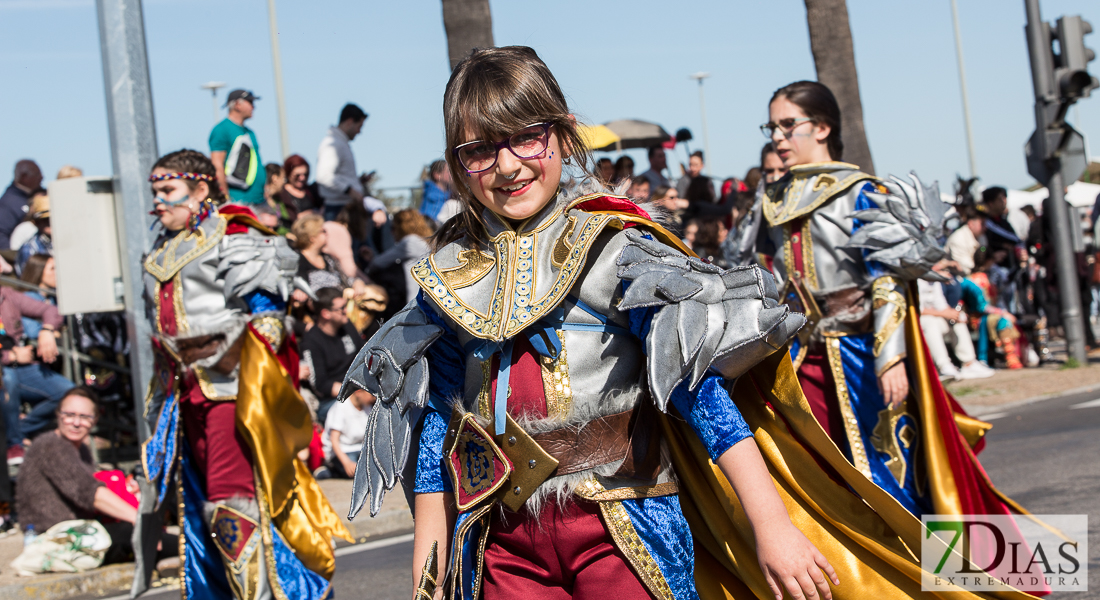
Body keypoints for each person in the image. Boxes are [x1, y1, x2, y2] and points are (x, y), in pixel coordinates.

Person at [326, 45, 1045, 600]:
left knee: (875, 484)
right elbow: (436, 430)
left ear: (563, 136)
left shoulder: (615, 243)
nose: (507, 164)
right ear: (456, 162)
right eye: (480, 149)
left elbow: (696, 389)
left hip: (647, 505)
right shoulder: (451, 276)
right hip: (506, 542)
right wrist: (430, 570)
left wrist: (771, 523)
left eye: (525, 138)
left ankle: (998, 562)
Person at [759, 80, 1031, 520]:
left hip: (859, 354)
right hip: (798, 356)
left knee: (890, 476)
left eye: (788, 125)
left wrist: (891, 357)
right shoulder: (771, 199)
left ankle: (941, 580)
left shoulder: (860, 191)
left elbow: (886, 278)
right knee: (818, 480)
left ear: (823, 128)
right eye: (771, 127)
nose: (777, 137)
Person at [137, 149, 350, 600]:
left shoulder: (234, 232)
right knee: (198, 512)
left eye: (168, 191)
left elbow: (268, 318)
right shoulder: (160, 251)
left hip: (232, 394)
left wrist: (232, 359)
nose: (159, 202)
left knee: (231, 505)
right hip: (184, 399)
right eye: (155, 193)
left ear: (200, 189)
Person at [15, 387, 175, 566]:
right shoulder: (51, 446)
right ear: (58, 415)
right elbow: (89, 493)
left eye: (84, 417)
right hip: (55, 537)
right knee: (135, 534)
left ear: (95, 421)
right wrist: (141, 518)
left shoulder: (80, 449)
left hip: (81, 531)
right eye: (69, 414)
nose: (76, 422)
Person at [1, 282, 70, 464]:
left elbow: (51, 311)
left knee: (67, 392)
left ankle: (16, 430)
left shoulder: (7, 296)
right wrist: (10, 356)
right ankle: (14, 444)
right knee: (7, 379)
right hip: (6, 369)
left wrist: (46, 331)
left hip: (22, 367)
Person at [300, 287, 365, 424]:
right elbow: (321, 384)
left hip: (361, 388)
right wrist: (355, 394)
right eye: (341, 308)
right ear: (326, 314)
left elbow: (364, 352)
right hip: (333, 400)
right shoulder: (311, 342)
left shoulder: (346, 326)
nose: (346, 311)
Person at [918, 262, 993, 380]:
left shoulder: (935, 280)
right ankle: (943, 366)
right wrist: (944, 313)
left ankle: (969, 363)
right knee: (929, 321)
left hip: (936, 320)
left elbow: (940, 304)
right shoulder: (915, 280)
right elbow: (917, 309)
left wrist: (953, 314)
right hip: (919, 324)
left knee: (958, 319)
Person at [964, 249, 1024, 369]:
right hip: (978, 318)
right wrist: (1003, 312)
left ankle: (1013, 356)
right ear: (989, 261)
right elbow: (982, 307)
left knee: (1004, 319)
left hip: (990, 314)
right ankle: (1009, 357)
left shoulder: (986, 277)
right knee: (1004, 320)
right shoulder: (975, 280)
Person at [209, 89, 265, 206]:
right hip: (238, 199)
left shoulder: (249, 132)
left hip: (258, 199)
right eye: (250, 102)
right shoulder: (222, 130)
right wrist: (225, 198)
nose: (253, 107)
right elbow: (217, 165)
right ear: (237, 105)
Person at [316, 103, 368, 221]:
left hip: (344, 207)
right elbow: (324, 176)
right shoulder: (332, 144)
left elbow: (338, 177)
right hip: (339, 210)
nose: (359, 131)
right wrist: (350, 190)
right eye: (359, 126)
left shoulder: (339, 143)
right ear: (349, 122)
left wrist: (357, 183)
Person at [368, 209, 431, 305]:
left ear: (401, 227)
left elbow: (378, 263)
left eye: (392, 228)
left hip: (414, 300)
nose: (391, 232)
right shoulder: (424, 242)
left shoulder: (410, 241)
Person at [319, 383, 373, 479]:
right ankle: (330, 470)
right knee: (356, 472)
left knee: (372, 470)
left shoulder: (367, 407)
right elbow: (334, 440)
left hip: (359, 449)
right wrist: (346, 462)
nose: (374, 398)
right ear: (358, 392)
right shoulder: (341, 407)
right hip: (341, 452)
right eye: (371, 394)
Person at [0, 160, 42, 249]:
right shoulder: (9, 203)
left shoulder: (36, 195)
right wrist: (11, 259)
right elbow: (1, 234)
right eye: (37, 174)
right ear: (23, 176)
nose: (42, 177)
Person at [20, 254, 56, 339]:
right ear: (38, 271)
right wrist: (53, 333)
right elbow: (32, 331)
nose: (57, 273)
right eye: (53, 269)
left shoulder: (52, 298)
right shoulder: (28, 298)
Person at [15, 192, 52, 276]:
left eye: (53, 218)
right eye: (45, 219)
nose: (50, 222)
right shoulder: (29, 249)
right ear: (36, 223)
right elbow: (29, 282)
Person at [945, 211, 985, 276]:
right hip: (955, 277)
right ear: (971, 224)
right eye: (982, 224)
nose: (985, 227)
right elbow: (965, 269)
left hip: (974, 273)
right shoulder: (959, 238)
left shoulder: (981, 237)